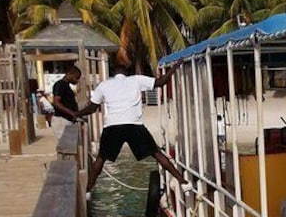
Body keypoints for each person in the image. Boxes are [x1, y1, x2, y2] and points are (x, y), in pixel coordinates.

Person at [75, 64, 186, 194]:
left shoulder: (104, 85)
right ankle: (182, 181)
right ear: (127, 74)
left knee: (101, 159)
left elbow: (92, 108)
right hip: (134, 125)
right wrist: (174, 68)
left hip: (112, 126)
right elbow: (161, 82)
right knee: (157, 154)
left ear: (113, 74)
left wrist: (76, 114)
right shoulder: (136, 80)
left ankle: (88, 190)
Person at [51, 66, 82, 139]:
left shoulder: (66, 86)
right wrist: (72, 113)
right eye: (76, 77)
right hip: (61, 120)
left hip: (67, 120)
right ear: (70, 74)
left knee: (69, 146)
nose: (77, 80)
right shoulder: (60, 85)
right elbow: (56, 103)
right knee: (66, 146)